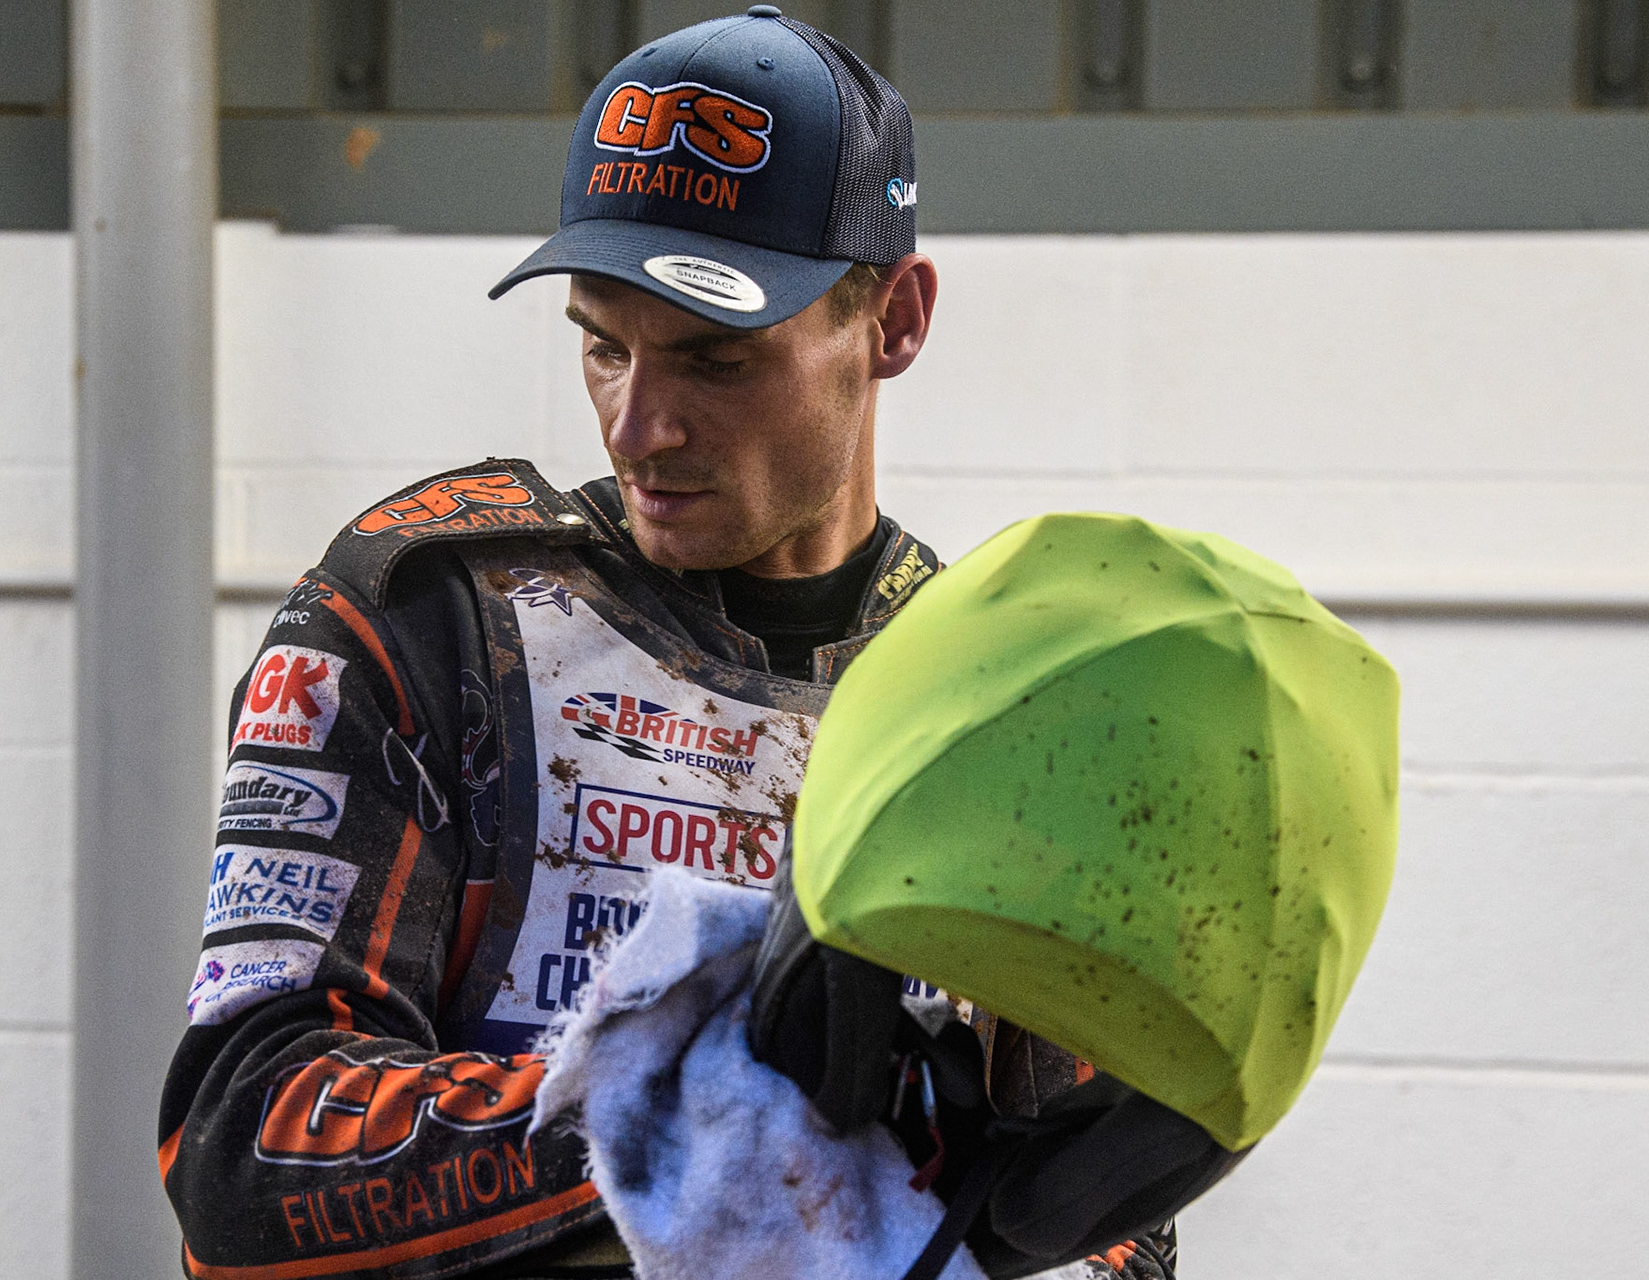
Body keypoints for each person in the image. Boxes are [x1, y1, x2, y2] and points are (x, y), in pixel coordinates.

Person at [160, 9, 1174, 1278]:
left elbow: (1110, 1231)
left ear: (894, 323)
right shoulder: (430, 616)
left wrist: (1006, 1208)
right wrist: (708, 1103)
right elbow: (244, 1154)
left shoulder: (995, 710)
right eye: (602, 343)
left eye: (716, 359)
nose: (638, 425)